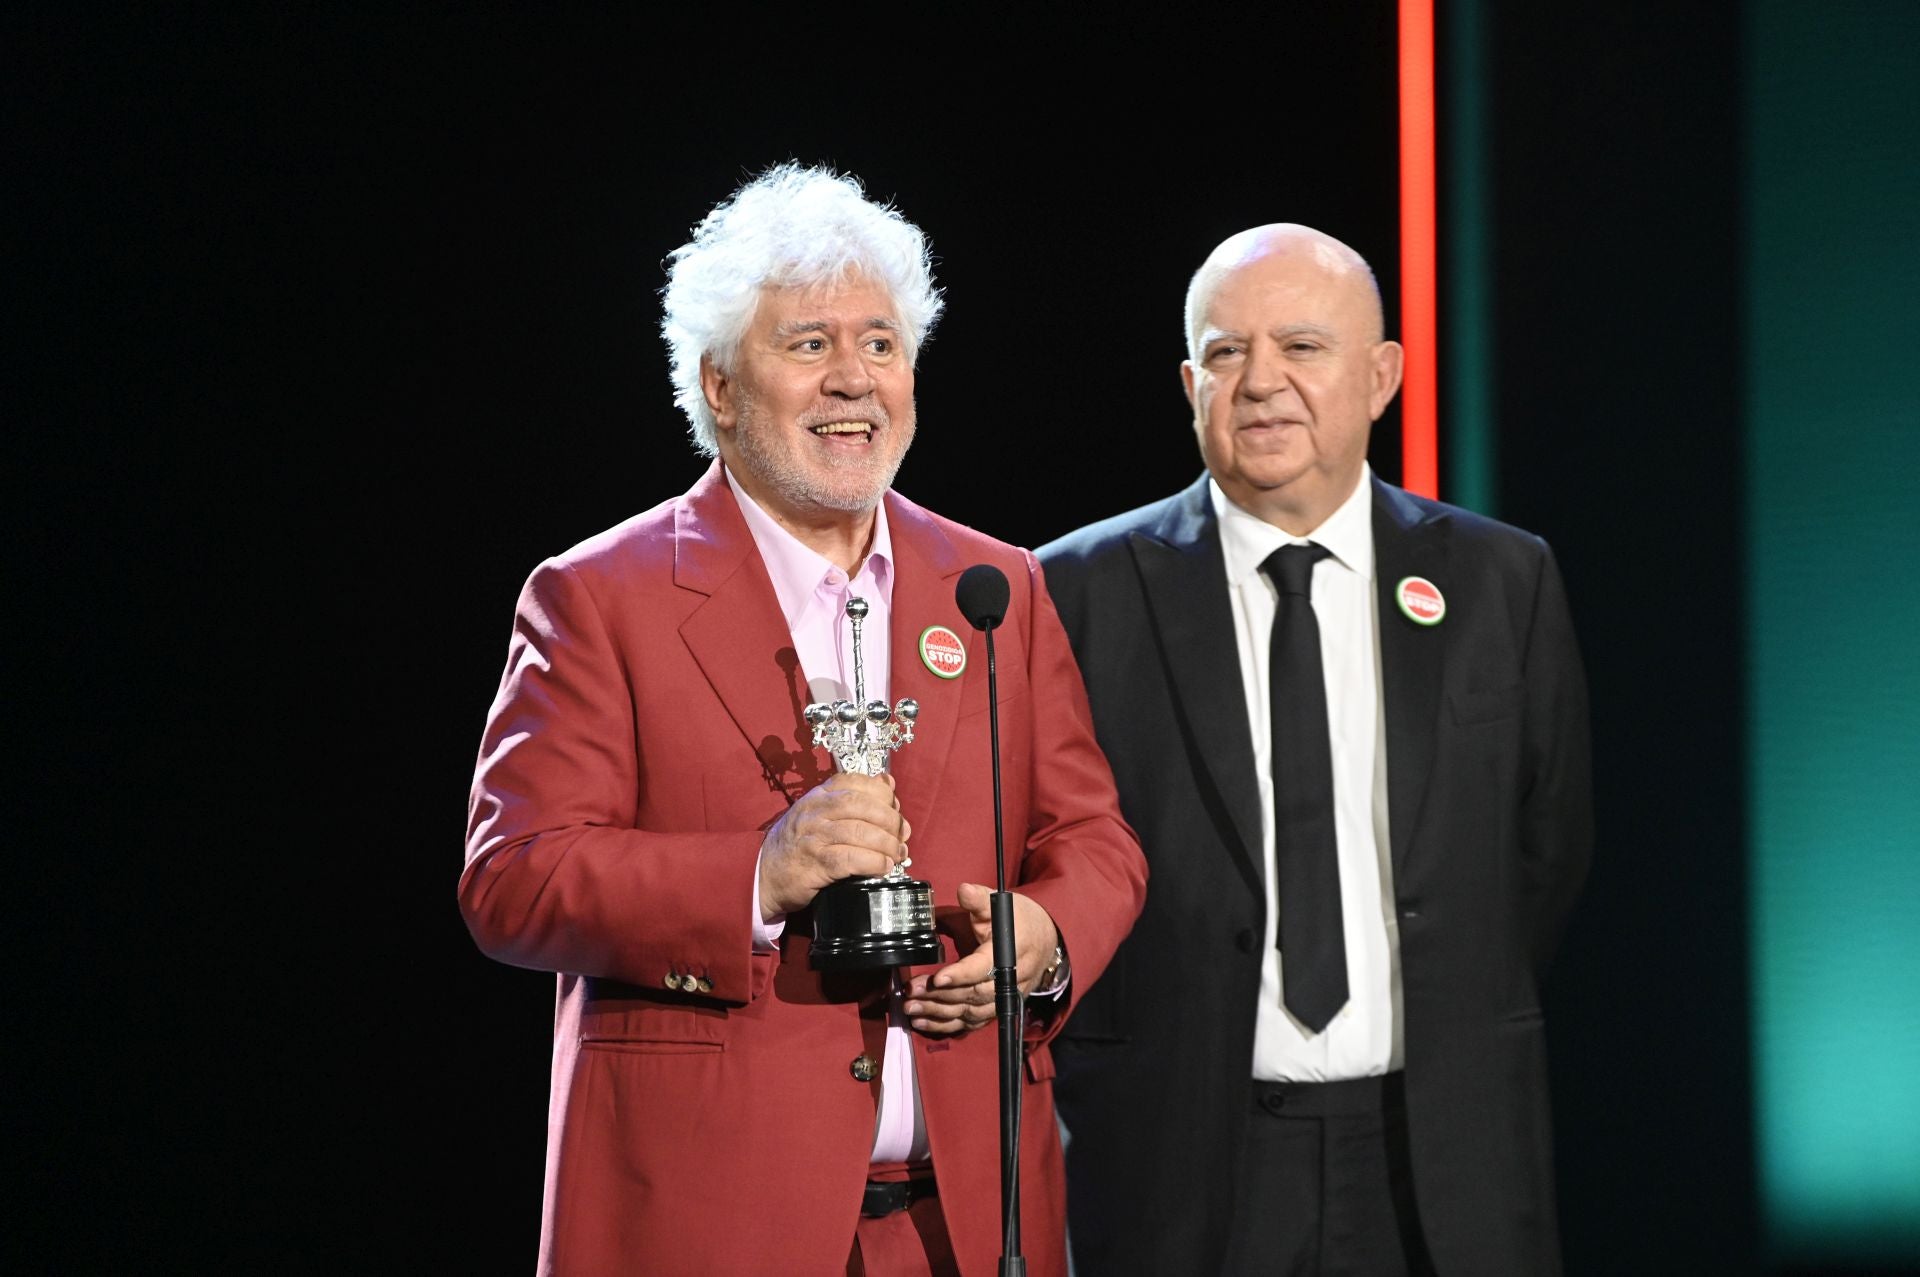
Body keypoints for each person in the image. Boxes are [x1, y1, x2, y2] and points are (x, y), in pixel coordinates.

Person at [460, 164, 1146, 1277]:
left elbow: (1096, 840)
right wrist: (757, 875)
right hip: (709, 1222)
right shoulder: (599, 597)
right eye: (809, 344)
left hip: (964, 1223)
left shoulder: (994, 585)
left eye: (880, 343)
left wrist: (1050, 934)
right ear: (719, 385)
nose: (853, 380)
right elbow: (514, 880)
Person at [1039, 224, 1592, 1276]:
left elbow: (1546, 852)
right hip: (1176, 1160)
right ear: (1188, 381)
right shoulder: (1073, 592)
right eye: (1226, 352)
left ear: (1380, 376)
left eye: (1301, 346)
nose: (1261, 383)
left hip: (1441, 1152)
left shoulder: (1500, 582)